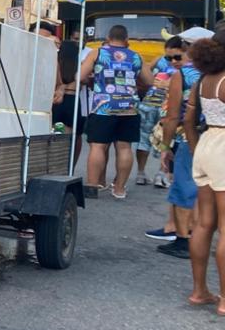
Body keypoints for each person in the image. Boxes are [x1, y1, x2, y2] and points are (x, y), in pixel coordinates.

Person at [183, 27, 225, 313]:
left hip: (206, 144)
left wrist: (197, 148)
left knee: (204, 223)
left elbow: (187, 120)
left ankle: (200, 291)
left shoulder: (203, 80)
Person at [82, 24, 149, 200]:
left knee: (97, 146)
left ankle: (92, 186)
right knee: (125, 147)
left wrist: (93, 81)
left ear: (108, 38)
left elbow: (80, 76)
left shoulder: (97, 53)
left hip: (103, 106)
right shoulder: (136, 56)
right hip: (128, 108)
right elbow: (149, 80)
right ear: (127, 40)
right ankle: (119, 189)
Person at [159, 28, 210, 257]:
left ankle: (184, 239)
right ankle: (202, 237)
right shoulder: (216, 72)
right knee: (207, 191)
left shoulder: (183, 75)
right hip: (217, 139)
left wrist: (165, 145)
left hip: (190, 138)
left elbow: (173, 116)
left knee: (184, 187)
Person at [135, 37, 182, 187]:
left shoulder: (164, 61)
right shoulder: (175, 64)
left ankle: (150, 174)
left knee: (156, 139)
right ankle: (152, 174)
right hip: (158, 105)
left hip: (158, 105)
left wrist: (160, 82)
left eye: (175, 56)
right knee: (158, 139)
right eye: (168, 57)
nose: (171, 60)